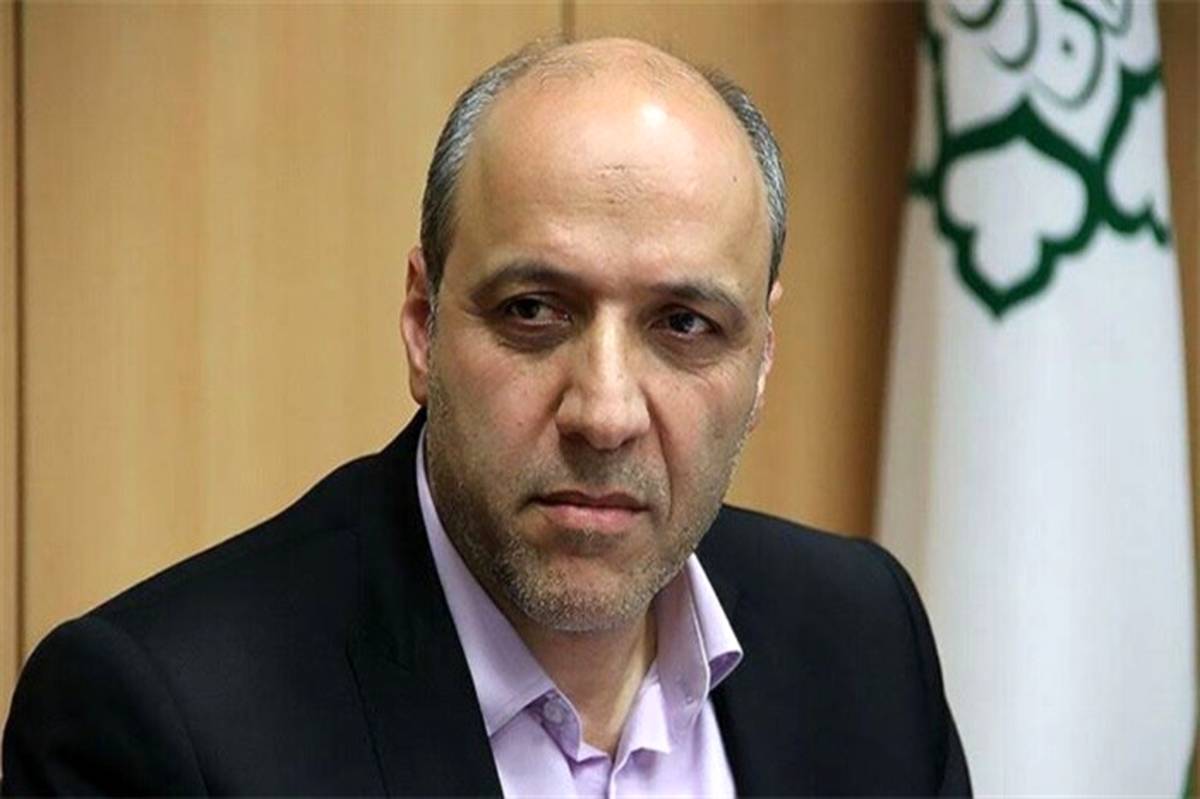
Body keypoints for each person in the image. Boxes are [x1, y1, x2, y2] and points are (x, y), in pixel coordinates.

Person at [2, 37, 970, 796]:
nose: (604, 412)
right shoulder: (157, 724)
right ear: (422, 325)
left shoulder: (864, 640)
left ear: (761, 361)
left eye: (683, 324)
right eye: (533, 311)